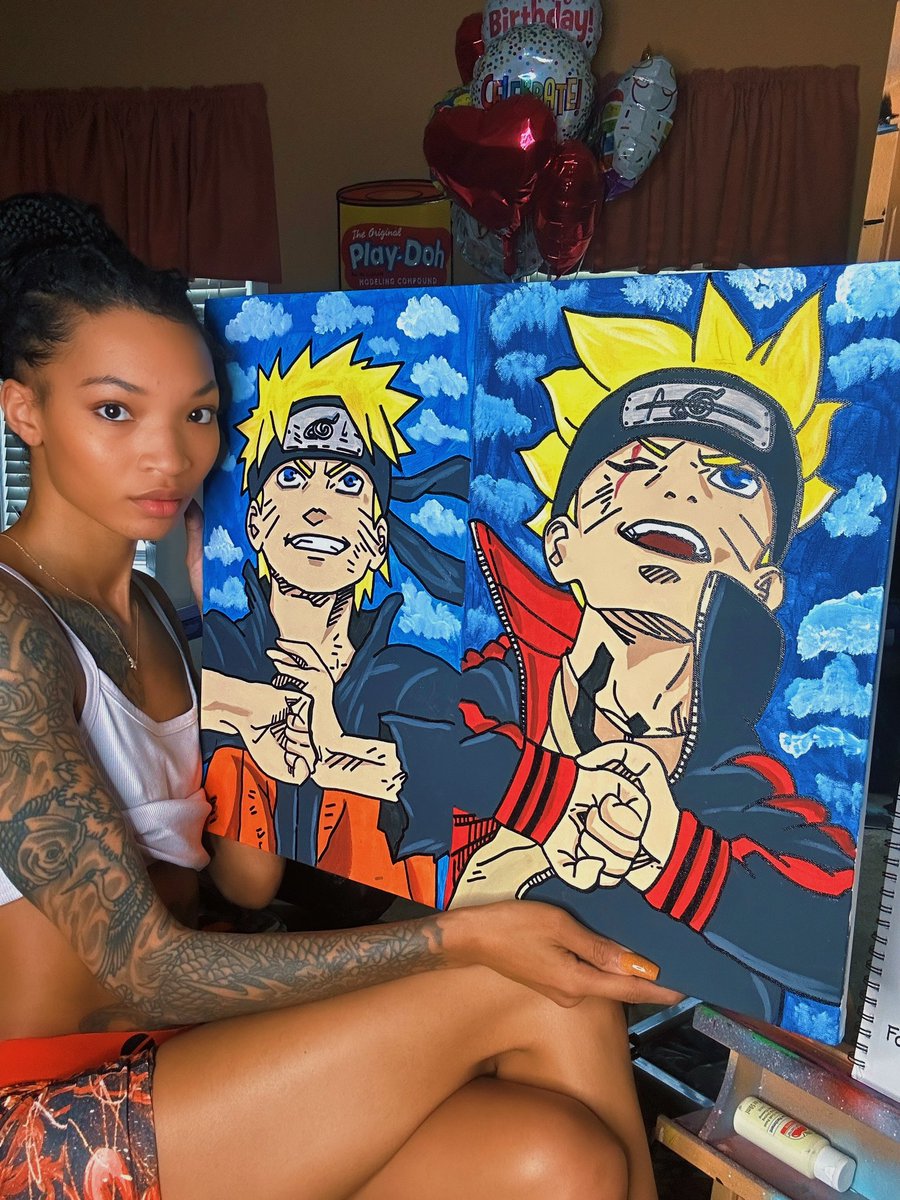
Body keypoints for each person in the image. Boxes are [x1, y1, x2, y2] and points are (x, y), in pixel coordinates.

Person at [0, 192, 681, 1200]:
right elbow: (144, 965)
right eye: (114, 411)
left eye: (197, 414)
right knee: (534, 982)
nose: (168, 455)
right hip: (44, 1119)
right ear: (24, 411)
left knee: (564, 1160)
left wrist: (263, 655)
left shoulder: (157, 613)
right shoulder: (12, 625)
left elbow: (246, 884)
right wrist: (460, 936)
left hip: (185, 1059)